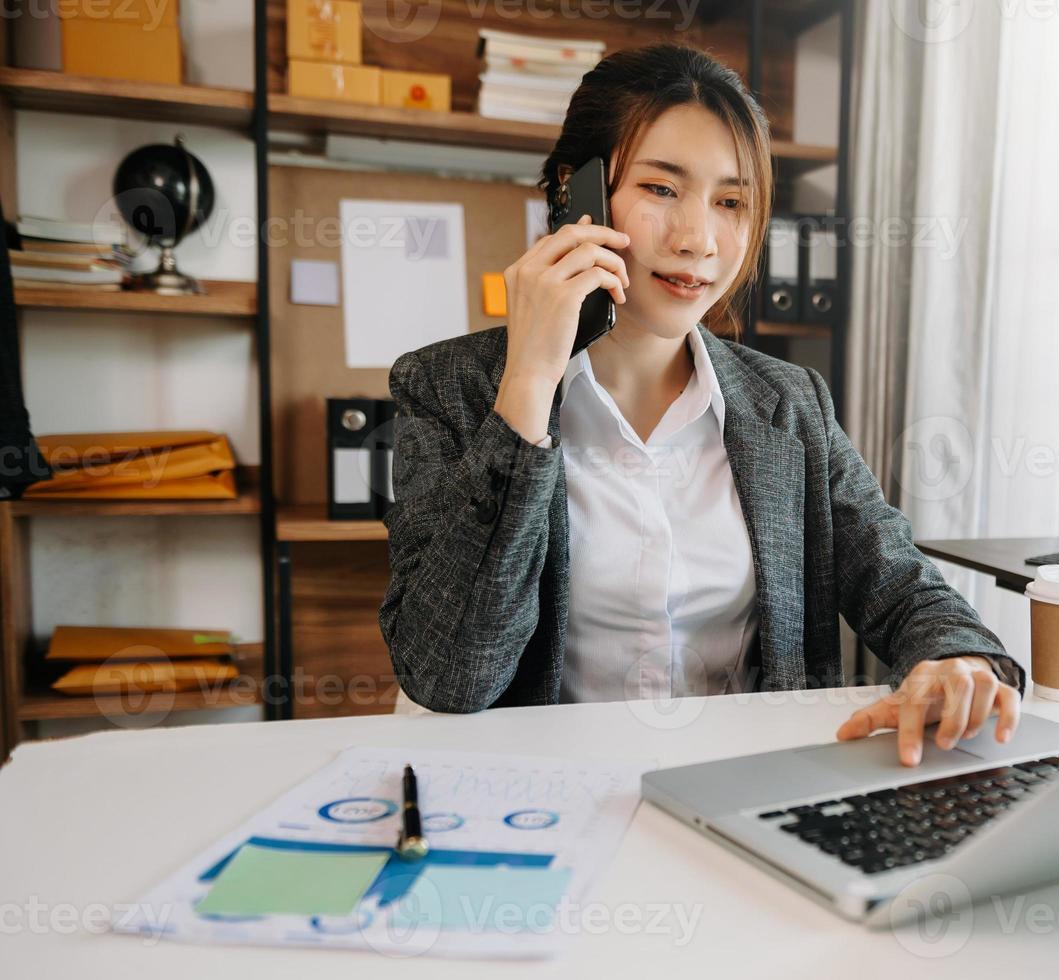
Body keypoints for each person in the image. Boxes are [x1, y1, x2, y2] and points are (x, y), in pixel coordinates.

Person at [379, 43, 1024, 766]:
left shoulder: (788, 401)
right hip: (538, 810)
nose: (697, 239)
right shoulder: (447, 387)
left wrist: (961, 658)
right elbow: (450, 675)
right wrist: (529, 383)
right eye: (661, 189)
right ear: (576, 190)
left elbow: (900, 582)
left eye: (730, 202)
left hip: (739, 799)